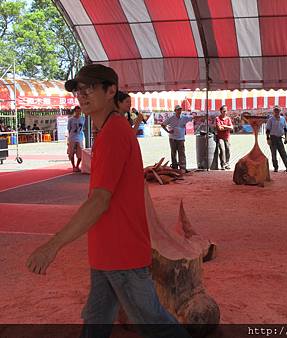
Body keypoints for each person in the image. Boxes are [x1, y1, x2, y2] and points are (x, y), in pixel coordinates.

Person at [26, 64, 187, 338]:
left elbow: (99, 201)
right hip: (109, 252)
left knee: (154, 324)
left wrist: (52, 246)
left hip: (120, 253)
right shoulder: (110, 131)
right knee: (97, 319)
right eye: (79, 89)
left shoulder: (113, 134)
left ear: (111, 90)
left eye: (90, 88)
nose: (83, 95)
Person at [161, 105, 192, 172]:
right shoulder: (171, 118)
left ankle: (182, 168)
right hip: (173, 138)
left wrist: (204, 116)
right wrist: (168, 131)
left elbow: (193, 118)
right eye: (178, 110)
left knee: (182, 153)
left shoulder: (184, 117)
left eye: (180, 109)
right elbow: (163, 124)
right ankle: (175, 167)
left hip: (181, 138)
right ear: (175, 111)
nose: (179, 111)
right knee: (173, 153)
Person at [266, 106, 287, 172]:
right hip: (273, 138)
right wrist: (268, 139)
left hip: (279, 138)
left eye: (278, 110)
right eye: (275, 110)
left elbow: (285, 129)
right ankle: (276, 168)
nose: (277, 112)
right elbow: (268, 130)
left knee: (283, 153)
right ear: (273, 111)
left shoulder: (283, 119)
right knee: (274, 154)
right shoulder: (270, 120)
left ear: (280, 111)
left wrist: (286, 138)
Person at [67, 106, 85, 172]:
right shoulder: (71, 119)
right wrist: (69, 139)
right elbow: (69, 129)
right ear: (75, 111)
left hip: (80, 137)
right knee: (71, 152)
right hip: (72, 137)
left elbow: (83, 128)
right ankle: (73, 166)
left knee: (80, 153)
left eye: (79, 111)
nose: (78, 112)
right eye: (77, 111)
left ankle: (77, 166)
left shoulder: (83, 118)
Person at [215, 105, 233, 170]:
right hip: (220, 137)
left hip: (227, 137)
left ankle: (227, 163)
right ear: (221, 111)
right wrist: (227, 127)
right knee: (222, 150)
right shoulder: (217, 118)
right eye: (224, 111)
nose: (225, 112)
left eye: (226, 111)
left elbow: (232, 127)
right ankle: (223, 164)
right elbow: (219, 128)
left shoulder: (228, 119)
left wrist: (224, 126)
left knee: (228, 150)